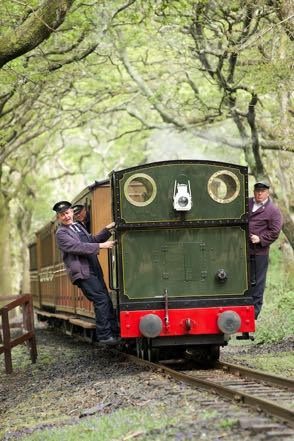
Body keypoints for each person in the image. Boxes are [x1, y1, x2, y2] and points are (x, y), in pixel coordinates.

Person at [53, 200, 120, 345]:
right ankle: (104, 336)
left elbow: (91, 240)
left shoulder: (78, 226)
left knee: (106, 299)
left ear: (72, 212)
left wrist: (108, 229)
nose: (66, 216)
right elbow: (78, 247)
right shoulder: (61, 234)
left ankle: (115, 333)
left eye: (67, 213)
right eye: (62, 215)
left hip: (93, 268)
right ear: (58, 217)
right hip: (82, 272)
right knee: (100, 299)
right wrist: (102, 246)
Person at [249, 181, 283, 319]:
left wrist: (261, 239)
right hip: (241, 250)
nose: (259, 193)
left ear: (267, 193)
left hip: (259, 252)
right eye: (257, 191)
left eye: (262, 191)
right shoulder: (247, 203)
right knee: (244, 280)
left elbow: (275, 231)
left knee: (258, 282)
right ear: (254, 192)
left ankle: (254, 313)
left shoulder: (273, 210)